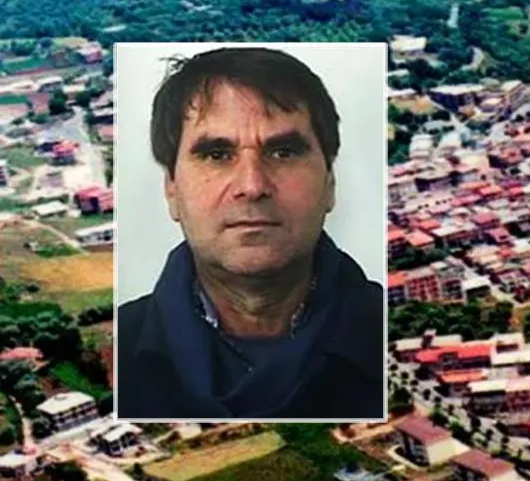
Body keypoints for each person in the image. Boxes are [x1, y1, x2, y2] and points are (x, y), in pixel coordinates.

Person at [118, 47, 384, 419]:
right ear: (172, 190)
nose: (252, 185)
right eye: (216, 155)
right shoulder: (116, 351)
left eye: (284, 152)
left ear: (329, 184)